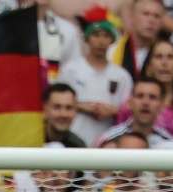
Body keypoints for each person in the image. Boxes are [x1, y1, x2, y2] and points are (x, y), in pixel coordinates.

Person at [56, 8, 133, 146]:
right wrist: (85, 107)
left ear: (112, 40)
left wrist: (112, 111)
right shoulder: (71, 70)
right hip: (74, 137)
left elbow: (128, 110)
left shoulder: (122, 76)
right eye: (96, 35)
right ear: (87, 38)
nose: (101, 41)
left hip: (108, 141)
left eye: (106, 35)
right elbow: (56, 100)